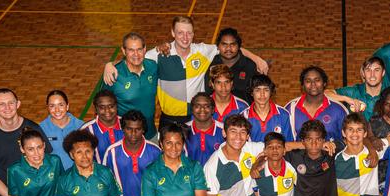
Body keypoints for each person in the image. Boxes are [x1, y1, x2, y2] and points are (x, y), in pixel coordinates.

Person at [104, 16, 268, 130]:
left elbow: (229, 48)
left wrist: (257, 58)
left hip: (195, 117)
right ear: (173, 33)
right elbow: (134, 57)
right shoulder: (159, 54)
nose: (185, 37)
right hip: (168, 119)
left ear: (193, 34)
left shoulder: (202, 51)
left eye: (189, 32)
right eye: (180, 32)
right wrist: (110, 64)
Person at [102, 32, 158, 140]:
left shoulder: (153, 66)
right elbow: (101, 106)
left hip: (151, 134)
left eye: (139, 49)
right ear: (123, 51)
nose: (136, 54)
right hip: (125, 138)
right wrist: (109, 64)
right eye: (131, 50)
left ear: (145, 49)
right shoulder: (113, 75)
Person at [285, 66, 348, 142]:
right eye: (308, 81)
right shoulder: (291, 108)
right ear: (302, 86)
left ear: (324, 83)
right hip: (298, 154)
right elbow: (283, 143)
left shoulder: (339, 109)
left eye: (317, 80)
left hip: (332, 154)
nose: (313, 84)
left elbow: (347, 141)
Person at [204, 27, 258, 104]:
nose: (228, 48)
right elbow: (208, 93)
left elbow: (256, 93)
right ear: (218, 46)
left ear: (239, 46)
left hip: (243, 113)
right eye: (224, 44)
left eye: (232, 44)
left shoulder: (249, 65)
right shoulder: (210, 65)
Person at [327, 56, 386, 121]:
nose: (372, 75)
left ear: (383, 73)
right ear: (363, 73)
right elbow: (325, 94)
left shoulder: (389, 93)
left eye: (377, 70)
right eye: (368, 70)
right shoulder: (354, 91)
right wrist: (347, 99)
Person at [40, 90, 85, 170]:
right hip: (54, 176)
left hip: (77, 175)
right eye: (52, 106)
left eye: (61, 105)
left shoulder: (81, 126)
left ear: (67, 106)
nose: (57, 110)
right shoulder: (41, 128)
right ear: (47, 108)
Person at [242, 74, 294, 143]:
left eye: (266, 90)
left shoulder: (283, 114)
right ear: (252, 93)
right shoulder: (243, 116)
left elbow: (288, 144)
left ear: (271, 92)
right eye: (258, 90)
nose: (262, 94)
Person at [81, 90, 124, 164]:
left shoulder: (128, 125)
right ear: (96, 109)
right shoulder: (86, 131)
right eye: (102, 107)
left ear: (116, 106)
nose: (107, 110)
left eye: (111, 106)